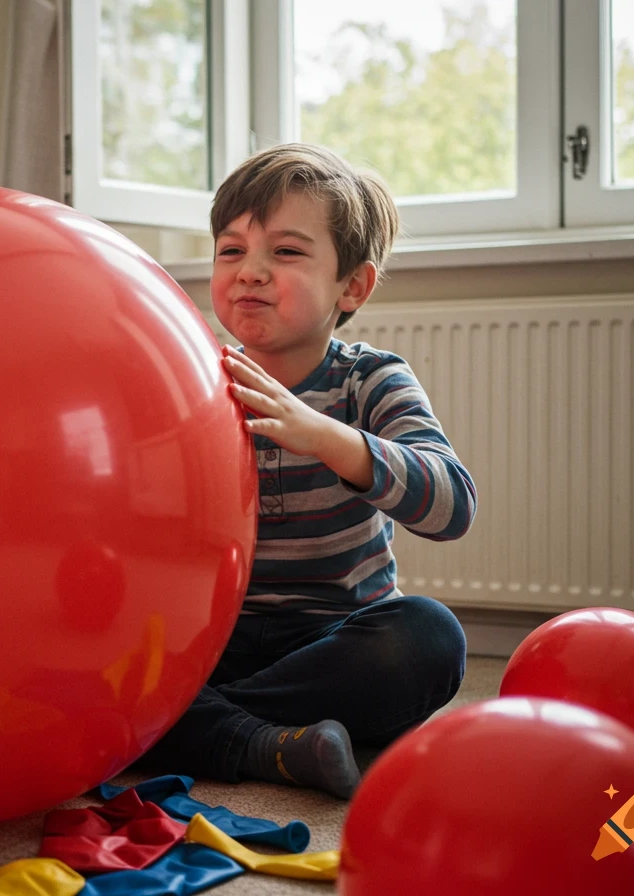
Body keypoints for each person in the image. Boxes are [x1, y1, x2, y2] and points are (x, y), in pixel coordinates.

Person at [139, 143, 477, 800]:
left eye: (286, 252)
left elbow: (452, 505)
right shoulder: (191, 378)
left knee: (430, 637)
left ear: (353, 285)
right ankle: (277, 744)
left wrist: (325, 437)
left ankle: (202, 728)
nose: (251, 272)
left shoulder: (370, 379)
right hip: (215, 636)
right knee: (96, 655)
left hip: (334, 635)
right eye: (231, 251)